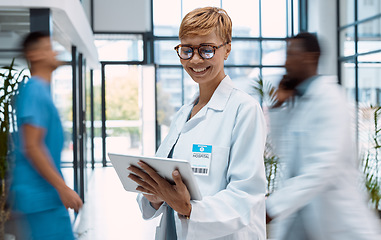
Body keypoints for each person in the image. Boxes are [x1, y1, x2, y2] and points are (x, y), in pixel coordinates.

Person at [128, 7, 267, 240]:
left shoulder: (244, 110)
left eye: (207, 50)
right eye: (187, 49)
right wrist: (154, 197)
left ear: (227, 49)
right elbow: (164, 178)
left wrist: (189, 208)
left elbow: (246, 195)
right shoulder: (183, 114)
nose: (195, 59)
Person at [266, 32, 381, 240]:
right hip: (302, 216)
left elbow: (323, 167)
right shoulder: (300, 101)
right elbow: (281, 148)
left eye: (291, 55)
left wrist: (273, 206)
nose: (286, 62)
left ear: (309, 57)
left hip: (336, 219)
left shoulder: (331, 100)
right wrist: (277, 106)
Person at [10, 31, 83, 240]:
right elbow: (32, 146)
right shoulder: (35, 90)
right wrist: (63, 188)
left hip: (44, 197)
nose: (54, 52)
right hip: (40, 198)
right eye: (48, 48)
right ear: (35, 55)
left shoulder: (40, 90)